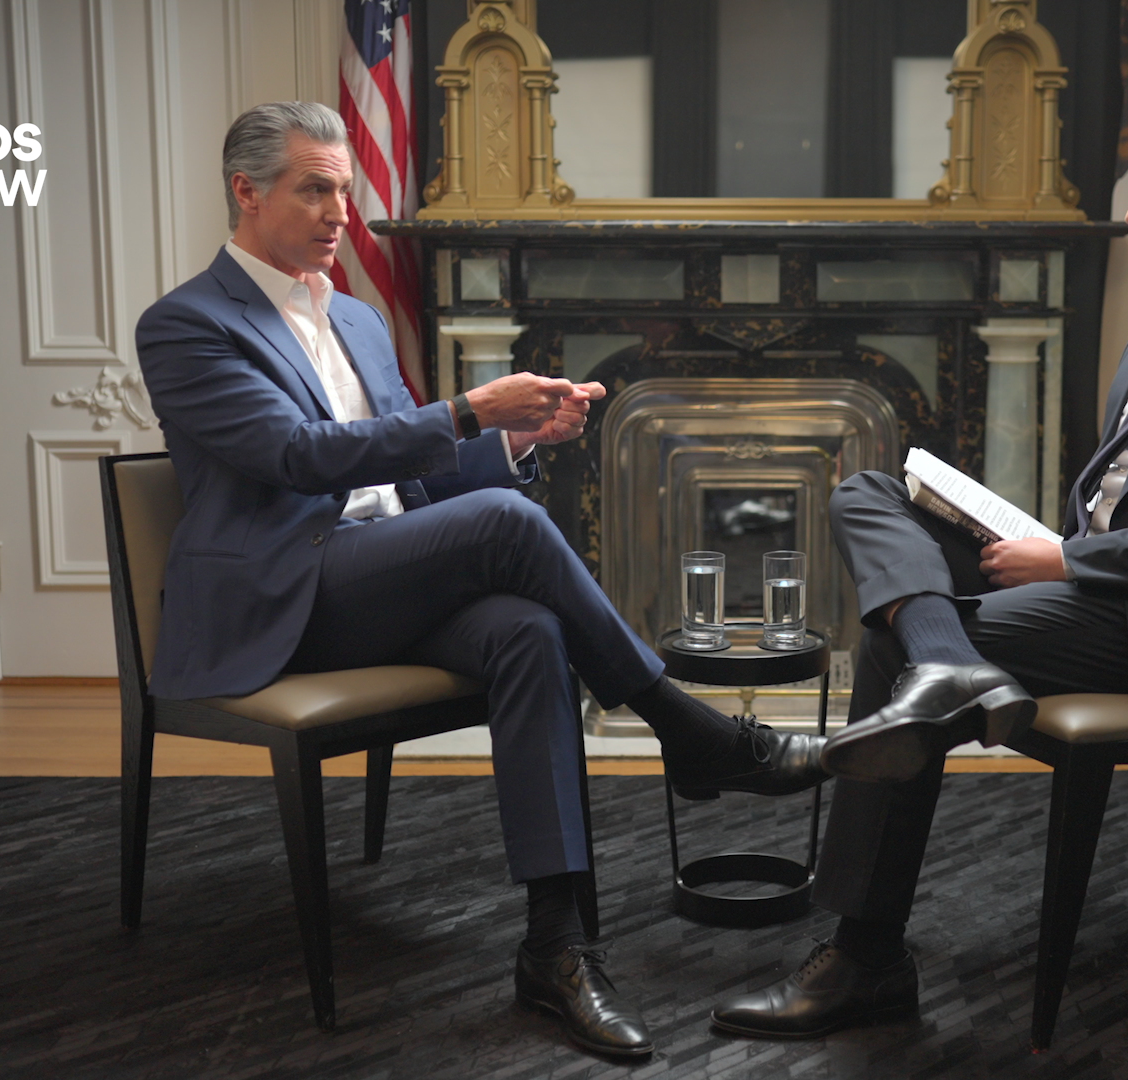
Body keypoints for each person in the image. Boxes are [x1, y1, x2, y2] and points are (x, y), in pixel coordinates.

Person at [134, 102, 826, 1059]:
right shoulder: (185, 324)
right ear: (247, 193)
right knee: (504, 527)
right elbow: (294, 455)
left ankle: (556, 947)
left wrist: (511, 439)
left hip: (384, 576)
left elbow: (408, 481)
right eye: (315, 189)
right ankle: (688, 727)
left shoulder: (359, 320)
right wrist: (465, 408)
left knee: (525, 632)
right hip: (289, 600)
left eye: (346, 188)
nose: (342, 212)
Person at [710, 106, 1128, 1038]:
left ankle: (867, 954)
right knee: (873, 493)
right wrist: (1047, 548)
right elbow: (1125, 501)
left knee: (889, 648)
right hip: (1099, 583)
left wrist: (1068, 561)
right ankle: (946, 659)